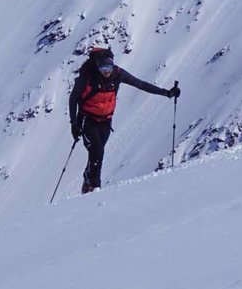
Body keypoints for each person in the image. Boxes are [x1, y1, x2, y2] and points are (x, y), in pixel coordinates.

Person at [68, 46, 179, 194]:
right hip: (87, 120)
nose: (106, 71)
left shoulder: (117, 74)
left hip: (106, 121)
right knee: (97, 151)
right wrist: (74, 124)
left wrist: (166, 93)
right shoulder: (87, 76)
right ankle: (95, 188)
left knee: (97, 153)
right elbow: (73, 98)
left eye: (108, 67)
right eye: (103, 68)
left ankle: (88, 179)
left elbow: (140, 84)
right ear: (97, 66)